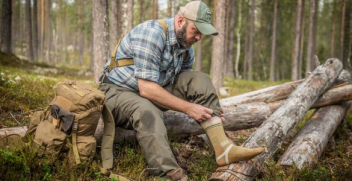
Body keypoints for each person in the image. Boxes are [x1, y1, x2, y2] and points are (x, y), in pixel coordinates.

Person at [99, 1, 264, 180]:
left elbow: (187, 86)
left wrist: (209, 107)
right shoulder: (151, 33)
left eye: (202, 33)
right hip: (117, 91)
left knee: (199, 79)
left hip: (150, 90)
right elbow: (146, 89)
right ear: (180, 21)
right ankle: (169, 174)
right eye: (196, 30)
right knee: (147, 111)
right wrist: (189, 108)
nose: (199, 38)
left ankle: (222, 147)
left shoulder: (185, 48)